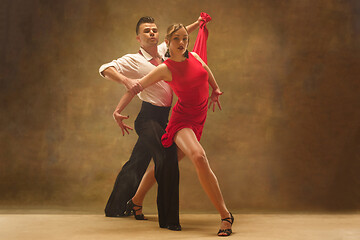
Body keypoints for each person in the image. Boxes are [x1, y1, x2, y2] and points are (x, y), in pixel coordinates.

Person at [113, 23, 234, 236]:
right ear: (167, 43)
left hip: (199, 119)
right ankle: (225, 215)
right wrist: (117, 110)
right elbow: (136, 87)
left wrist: (215, 89)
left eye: (185, 38)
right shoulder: (165, 68)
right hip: (182, 121)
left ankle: (136, 200)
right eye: (176, 39)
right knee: (198, 156)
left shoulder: (194, 57)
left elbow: (206, 70)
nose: (182, 43)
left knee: (167, 162)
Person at [99, 16, 202, 230]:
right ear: (139, 37)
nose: (152, 33)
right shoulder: (132, 60)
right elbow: (105, 68)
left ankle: (117, 207)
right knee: (167, 158)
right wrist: (125, 80)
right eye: (147, 31)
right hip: (148, 118)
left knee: (137, 162)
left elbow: (181, 35)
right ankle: (170, 220)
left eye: (154, 30)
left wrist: (199, 23)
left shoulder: (167, 49)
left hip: (167, 117)